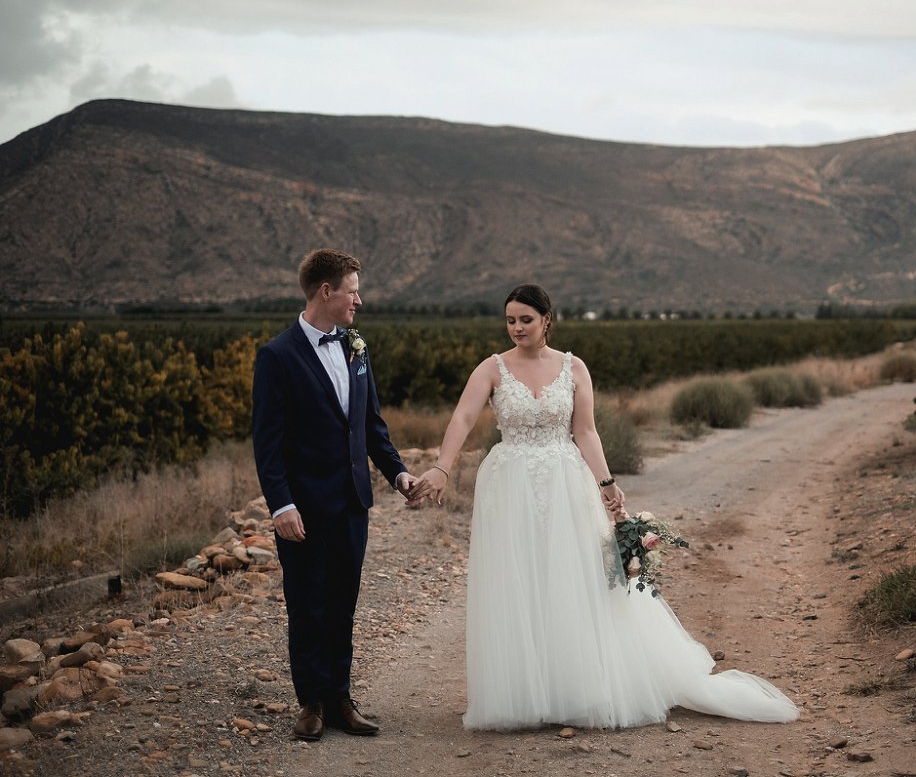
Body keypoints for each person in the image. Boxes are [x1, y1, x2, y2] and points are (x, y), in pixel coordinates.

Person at [410, 284, 799, 730]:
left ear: (547, 320)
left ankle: (575, 687)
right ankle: (525, 691)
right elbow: (462, 417)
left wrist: (607, 484)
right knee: (519, 580)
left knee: (573, 579)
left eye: (526, 320)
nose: (516, 328)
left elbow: (586, 431)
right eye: (510, 320)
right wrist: (442, 467)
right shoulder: (492, 368)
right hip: (509, 484)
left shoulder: (573, 368)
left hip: (565, 481)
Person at [252, 248, 415, 741]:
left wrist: (398, 474)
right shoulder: (277, 356)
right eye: (352, 291)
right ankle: (311, 702)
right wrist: (281, 505)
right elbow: (267, 442)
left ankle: (341, 698)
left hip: (351, 503)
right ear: (326, 291)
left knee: (343, 603)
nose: (358, 300)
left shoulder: (356, 348)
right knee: (307, 605)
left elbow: (370, 426)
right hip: (303, 508)